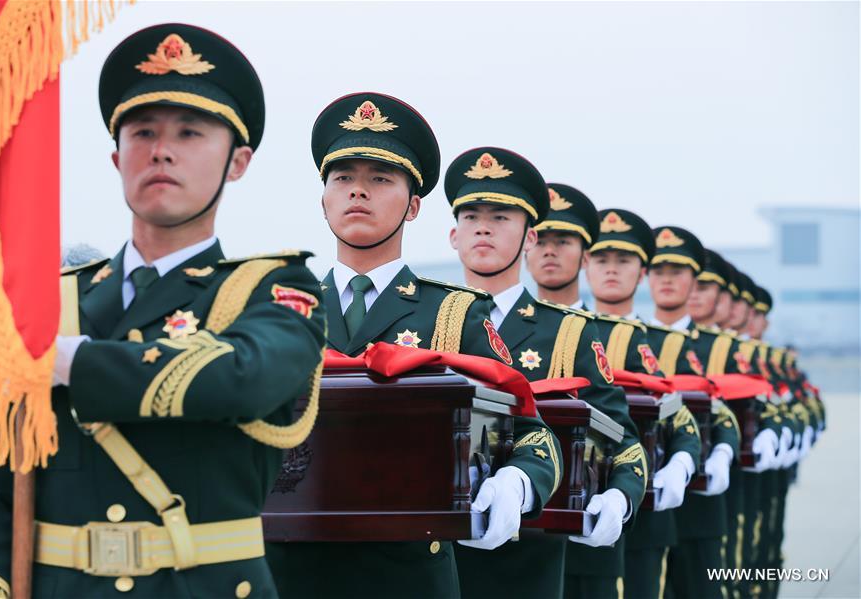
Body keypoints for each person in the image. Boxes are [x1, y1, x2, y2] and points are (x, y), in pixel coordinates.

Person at [0, 24, 327, 598]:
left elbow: (243, 381)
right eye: (142, 132)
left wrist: (70, 363)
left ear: (238, 162)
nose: (161, 149)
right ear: (116, 157)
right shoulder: (46, 302)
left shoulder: (272, 289)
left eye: (190, 132)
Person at [265, 94, 562, 599]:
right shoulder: (276, 309)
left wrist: (517, 481)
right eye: (343, 179)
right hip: (285, 570)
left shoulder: (456, 313)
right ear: (324, 199)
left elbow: (535, 436)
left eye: (380, 179)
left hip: (407, 574)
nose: (358, 192)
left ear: (414, 204)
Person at [446, 166, 646, 598]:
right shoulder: (433, 317)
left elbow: (621, 438)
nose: (484, 229)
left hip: (532, 552)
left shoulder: (568, 332)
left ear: (527, 238)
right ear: (453, 236)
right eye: (472, 217)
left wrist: (621, 497)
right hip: (434, 546)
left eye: (500, 218)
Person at [583, 209, 701, 599]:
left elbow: (678, 412)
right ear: (586, 264)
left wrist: (684, 462)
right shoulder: (568, 331)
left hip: (645, 510)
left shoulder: (662, 343)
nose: (611, 270)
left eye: (624, 260)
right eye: (601, 259)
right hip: (574, 500)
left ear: (642, 272)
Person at [644, 226, 740, 599]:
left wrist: (723, 450)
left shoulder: (717, 347)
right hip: (646, 497)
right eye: (659, 271)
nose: (667, 280)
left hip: (700, 499)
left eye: (678, 272)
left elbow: (729, 410)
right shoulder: (629, 338)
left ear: (694, 279)